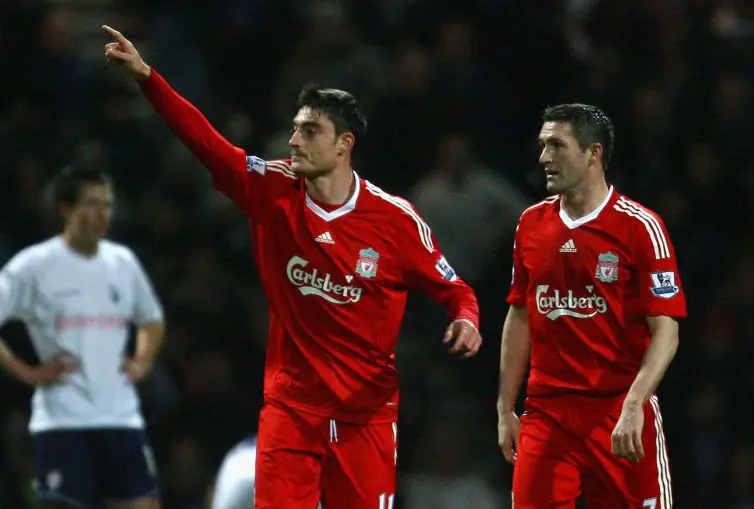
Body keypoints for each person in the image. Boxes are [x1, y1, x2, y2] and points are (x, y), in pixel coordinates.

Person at [102, 25, 482, 509]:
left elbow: (456, 290)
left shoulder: (394, 219)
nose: (294, 139)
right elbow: (206, 143)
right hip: (291, 410)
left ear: (344, 144)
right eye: (295, 127)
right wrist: (148, 78)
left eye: (309, 131)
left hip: (365, 417)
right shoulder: (272, 191)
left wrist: (466, 319)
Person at [496, 104, 686, 509]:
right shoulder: (531, 224)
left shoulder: (639, 227)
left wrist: (635, 403)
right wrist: (504, 405)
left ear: (592, 153)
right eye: (542, 146)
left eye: (556, 146)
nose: (544, 158)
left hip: (618, 410)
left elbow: (666, 330)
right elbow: (519, 314)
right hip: (548, 414)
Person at [0, 164, 165, 509]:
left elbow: (151, 319)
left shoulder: (123, 262)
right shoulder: (33, 266)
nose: (102, 213)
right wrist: (26, 372)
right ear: (65, 209)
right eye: (91, 203)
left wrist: (142, 360)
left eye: (107, 204)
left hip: (121, 419)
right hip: (63, 422)